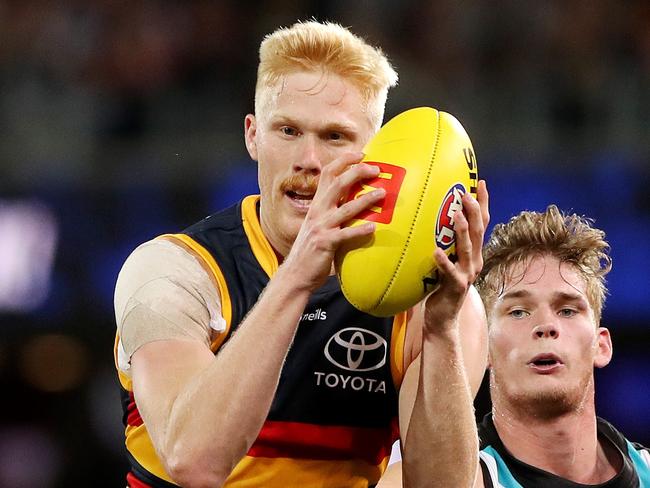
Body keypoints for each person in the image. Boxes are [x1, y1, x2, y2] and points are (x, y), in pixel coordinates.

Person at [113, 20, 490, 488]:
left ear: (376, 155)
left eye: (335, 137)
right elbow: (194, 462)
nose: (308, 160)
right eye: (288, 130)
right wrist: (295, 278)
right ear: (253, 136)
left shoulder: (429, 308)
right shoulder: (174, 272)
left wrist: (441, 331)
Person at [394, 205, 650, 487]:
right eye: (518, 312)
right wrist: (441, 327)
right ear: (485, 347)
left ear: (601, 345)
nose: (545, 326)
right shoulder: (437, 480)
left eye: (567, 310)